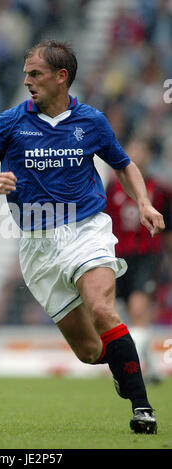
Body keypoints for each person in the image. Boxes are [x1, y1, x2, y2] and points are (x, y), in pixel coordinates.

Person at [0, 40, 165, 434]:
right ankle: (119, 365)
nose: (27, 81)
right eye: (25, 74)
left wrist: (142, 202)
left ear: (62, 77)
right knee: (91, 351)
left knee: (103, 309)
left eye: (34, 74)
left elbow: (123, 166)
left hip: (87, 230)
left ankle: (142, 408)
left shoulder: (91, 121)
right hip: (38, 245)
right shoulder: (9, 123)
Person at [106, 138, 172, 382]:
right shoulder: (112, 187)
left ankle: (127, 370)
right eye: (130, 150)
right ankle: (152, 369)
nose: (135, 153)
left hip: (146, 256)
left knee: (137, 310)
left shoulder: (161, 189)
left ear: (147, 155)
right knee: (127, 317)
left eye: (140, 149)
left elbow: (169, 231)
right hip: (117, 258)